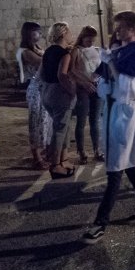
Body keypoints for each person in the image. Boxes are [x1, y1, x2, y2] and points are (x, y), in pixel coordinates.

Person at [82, 11, 135, 244]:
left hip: (126, 112)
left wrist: (111, 64)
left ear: (133, 30)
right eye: (117, 27)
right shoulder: (119, 52)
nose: (117, 31)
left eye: (122, 28)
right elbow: (103, 87)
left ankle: (100, 222)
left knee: (116, 165)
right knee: (129, 161)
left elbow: (127, 89)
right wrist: (107, 64)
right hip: (114, 111)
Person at [40, 22, 77, 179]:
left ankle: (64, 159)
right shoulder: (64, 54)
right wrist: (72, 91)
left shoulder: (47, 51)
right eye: (69, 32)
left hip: (47, 90)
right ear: (63, 34)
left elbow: (41, 73)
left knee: (64, 127)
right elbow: (62, 75)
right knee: (60, 129)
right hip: (59, 93)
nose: (71, 35)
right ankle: (55, 165)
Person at [18, 22, 53, 169]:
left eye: (39, 32)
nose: (39, 35)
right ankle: (36, 157)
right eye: (36, 32)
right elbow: (43, 63)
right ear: (28, 33)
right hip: (35, 88)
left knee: (45, 121)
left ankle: (45, 151)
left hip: (44, 87)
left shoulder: (37, 48)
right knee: (36, 122)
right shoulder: (25, 51)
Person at [70, 26, 102, 164]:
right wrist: (83, 83)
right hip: (83, 88)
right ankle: (81, 151)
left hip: (97, 87)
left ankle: (97, 150)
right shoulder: (76, 51)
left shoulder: (95, 50)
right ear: (83, 37)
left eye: (93, 40)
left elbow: (100, 67)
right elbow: (71, 71)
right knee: (81, 121)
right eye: (89, 40)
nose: (91, 42)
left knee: (95, 121)